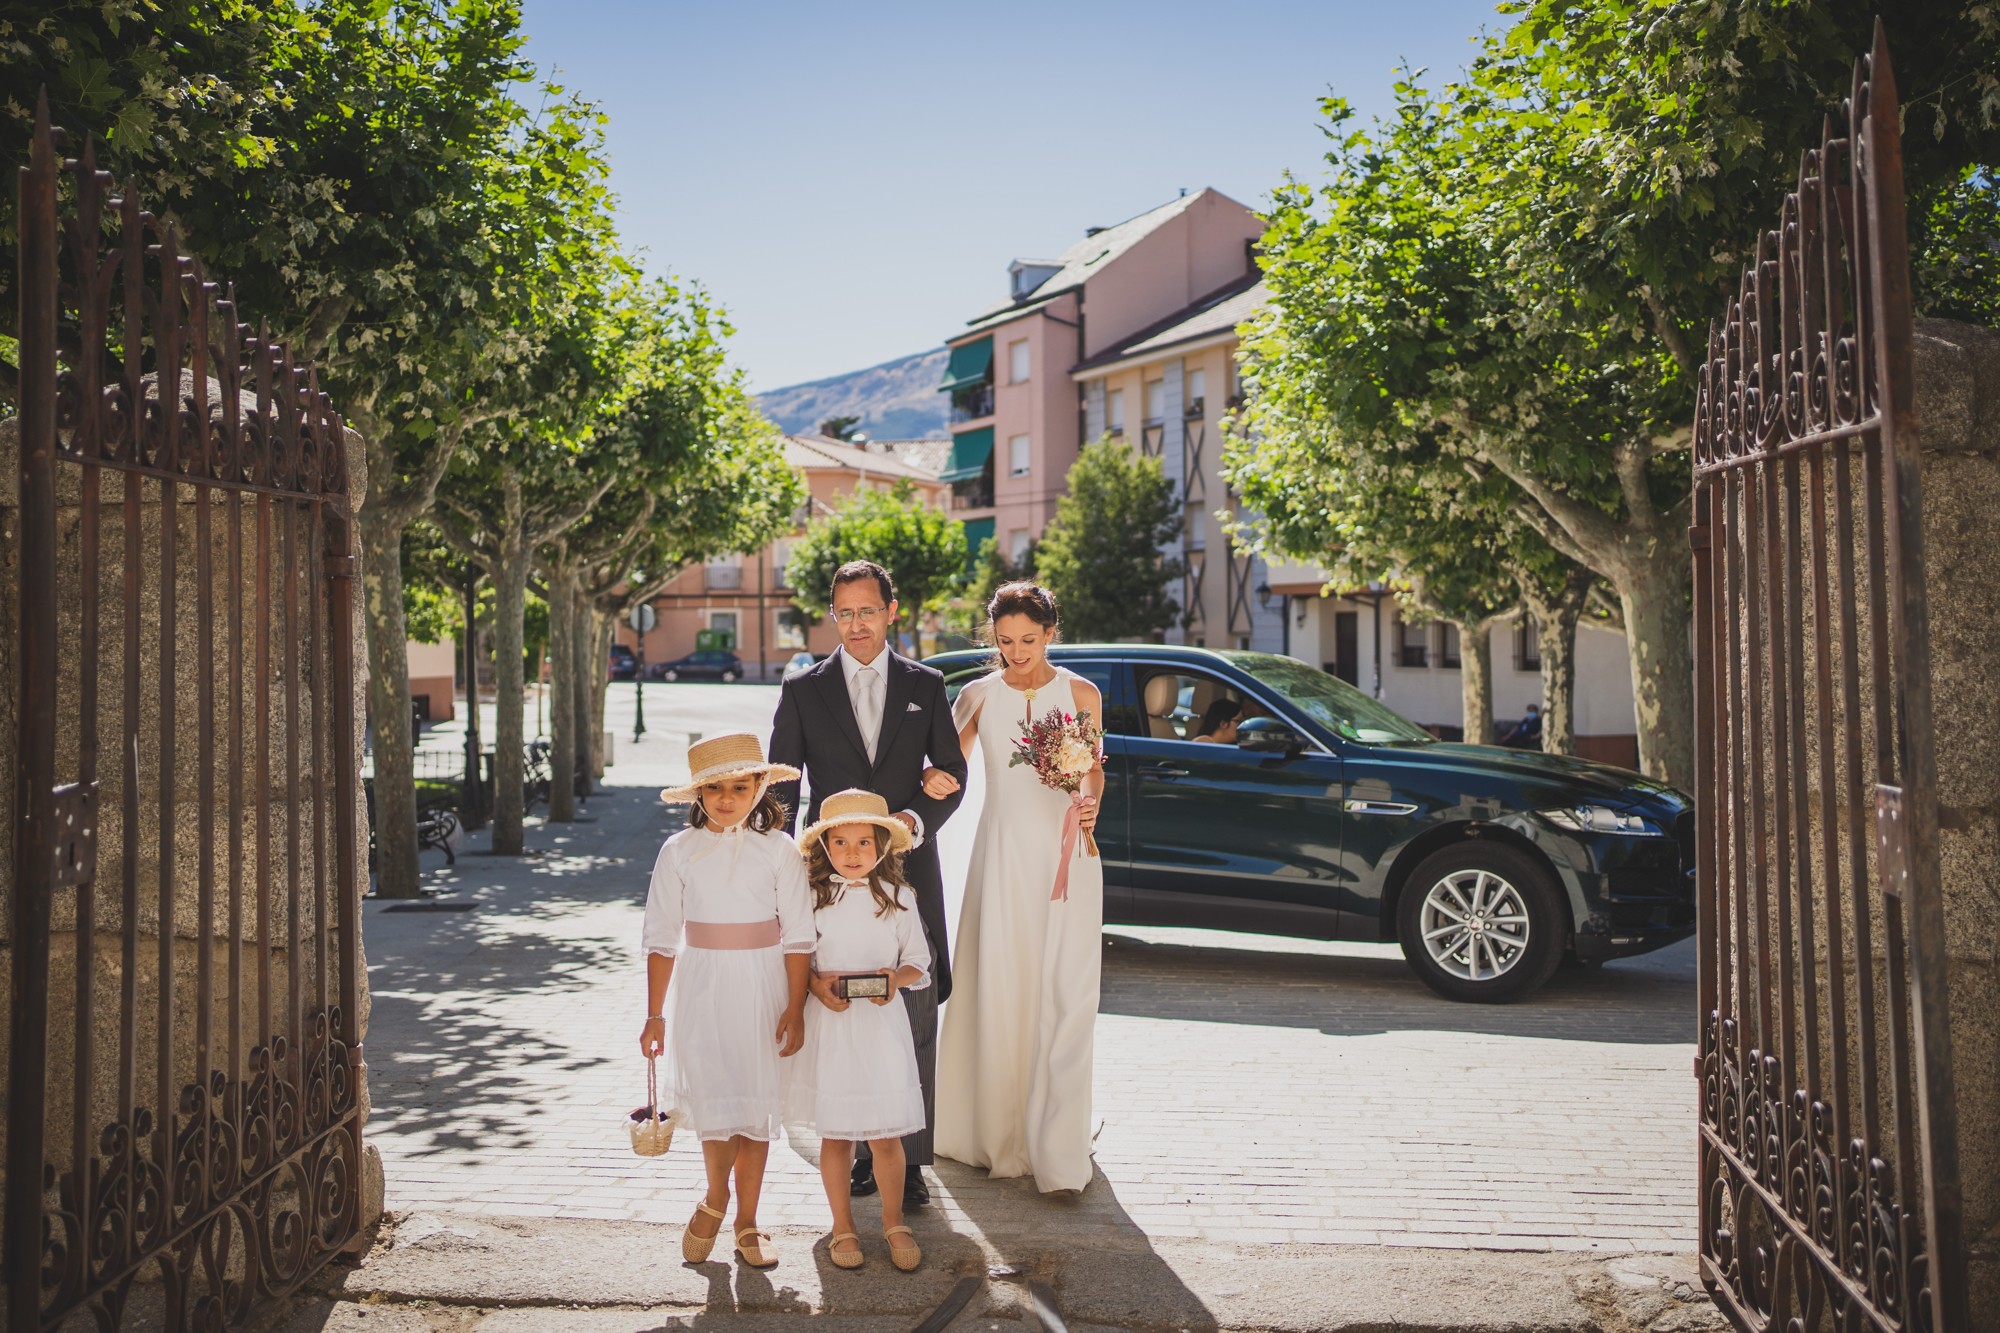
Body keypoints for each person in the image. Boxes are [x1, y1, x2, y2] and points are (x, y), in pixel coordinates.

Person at [767, 560, 968, 1210]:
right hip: (831, 882)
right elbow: (782, 786)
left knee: (911, 1020)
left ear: (891, 611)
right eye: (844, 613)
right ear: (833, 616)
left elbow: (953, 772)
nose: (856, 624)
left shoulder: (926, 684)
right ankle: (856, 1149)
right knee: (844, 1016)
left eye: (867, 611)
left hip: (911, 873)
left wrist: (911, 818)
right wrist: (780, 864)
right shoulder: (803, 690)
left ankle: (909, 1164)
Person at [926, 581, 1105, 1194]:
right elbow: (949, 769)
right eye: (1005, 641)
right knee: (1001, 981)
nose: (1017, 651)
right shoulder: (977, 695)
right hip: (1001, 856)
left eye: (1029, 640)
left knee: (1062, 989)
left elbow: (1091, 771)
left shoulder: (1080, 692)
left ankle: (1054, 1134)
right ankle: (993, 1129)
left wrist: (1088, 807)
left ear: (1052, 633)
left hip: (1064, 858)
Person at [639, 733, 814, 1269]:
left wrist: (795, 1005)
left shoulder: (781, 850)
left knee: (755, 1106)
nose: (727, 798)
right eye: (714, 788)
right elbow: (661, 937)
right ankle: (716, 1198)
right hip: (704, 985)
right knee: (717, 1102)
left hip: (765, 984)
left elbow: (800, 935)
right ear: (697, 793)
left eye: (740, 786)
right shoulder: (679, 851)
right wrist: (654, 1014)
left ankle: (748, 1221)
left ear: (761, 786)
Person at [786, 789, 932, 1272]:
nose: (853, 854)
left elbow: (918, 963)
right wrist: (813, 985)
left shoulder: (899, 898)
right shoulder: (810, 899)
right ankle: (843, 1225)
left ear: (882, 847)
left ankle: (893, 1221)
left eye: (864, 843)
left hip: (880, 1028)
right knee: (838, 1136)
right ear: (824, 846)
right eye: (841, 843)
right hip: (832, 1025)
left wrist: (894, 978)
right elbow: (797, 957)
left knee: (886, 1135)